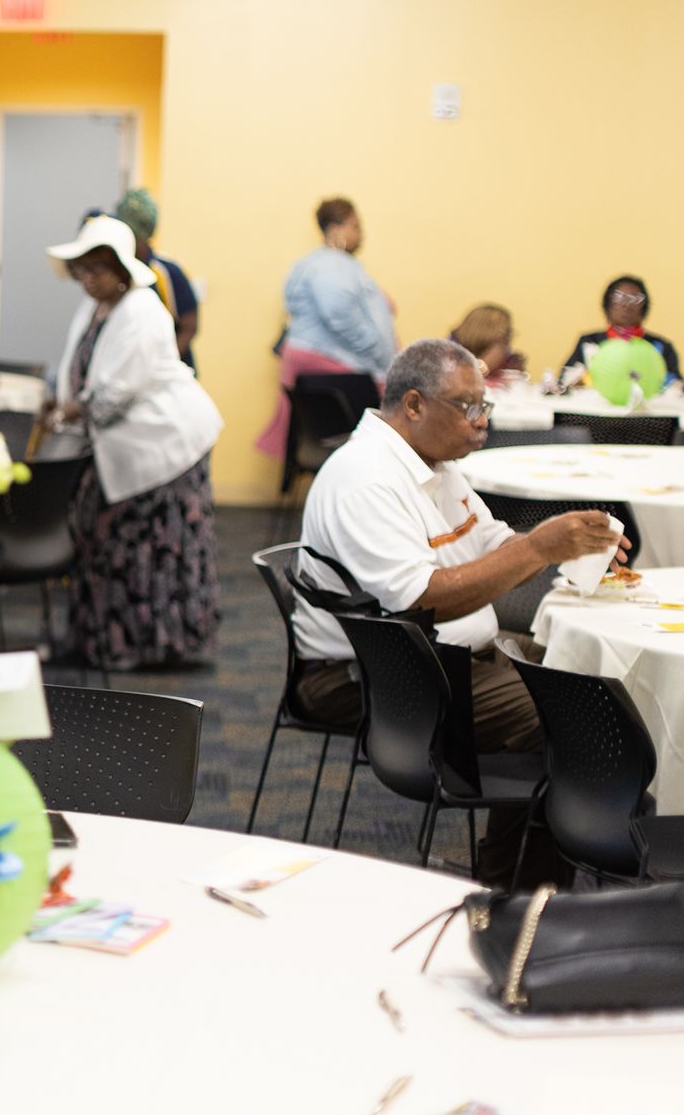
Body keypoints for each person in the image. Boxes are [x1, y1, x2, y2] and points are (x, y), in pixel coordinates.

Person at [290, 339, 628, 883]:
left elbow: (492, 542)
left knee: (600, 677)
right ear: (415, 405)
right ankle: (517, 899)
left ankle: (529, 879)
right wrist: (539, 547)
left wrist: (572, 548)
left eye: (484, 407)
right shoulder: (366, 478)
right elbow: (419, 598)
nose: (481, 423)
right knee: (580, 721)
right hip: (374, 675)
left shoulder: (432, 464)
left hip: (445, 656)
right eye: (468, 407)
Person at [41, 214, 223, 669]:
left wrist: (67, 410)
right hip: (126, 450)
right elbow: (76, 370)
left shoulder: (142, 311)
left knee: (153, 549)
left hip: (166, 448)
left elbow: (114, 396)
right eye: (83, 268)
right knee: (108, 545)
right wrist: (61, 400)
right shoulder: (95, 308)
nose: (88, 277)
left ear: (123, 270)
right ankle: (104, 642)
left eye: (99, 268)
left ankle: (150, 646)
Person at [257, 196, 397, 461]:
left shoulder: (314, 264)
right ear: (335, 229)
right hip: (331, 367)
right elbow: (338, 311)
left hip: (318, 360)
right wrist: (374, 346)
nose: (361, 234)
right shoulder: (332, 265)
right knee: (388, 417)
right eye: (355, 226)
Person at [112, 188, 200, 369]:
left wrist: (163, 363)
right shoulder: (118, 271)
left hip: (168, 373)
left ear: (142, 236)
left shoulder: (167, 272)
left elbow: (190, 325)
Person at [563, 275, 681, 384]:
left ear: (644, 307)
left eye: (635, 299)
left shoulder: (660, 346)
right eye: (619, 298)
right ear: (607, 304)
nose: (626, 305)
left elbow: (676, 385)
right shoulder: (589, 342)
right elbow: (565, 379)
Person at [451, 304, 526, 381]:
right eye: (506, 333)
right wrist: (485, 364)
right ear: (487, 331)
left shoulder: (506, 356)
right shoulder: (448, 352)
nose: (508, 339)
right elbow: (454, 383)